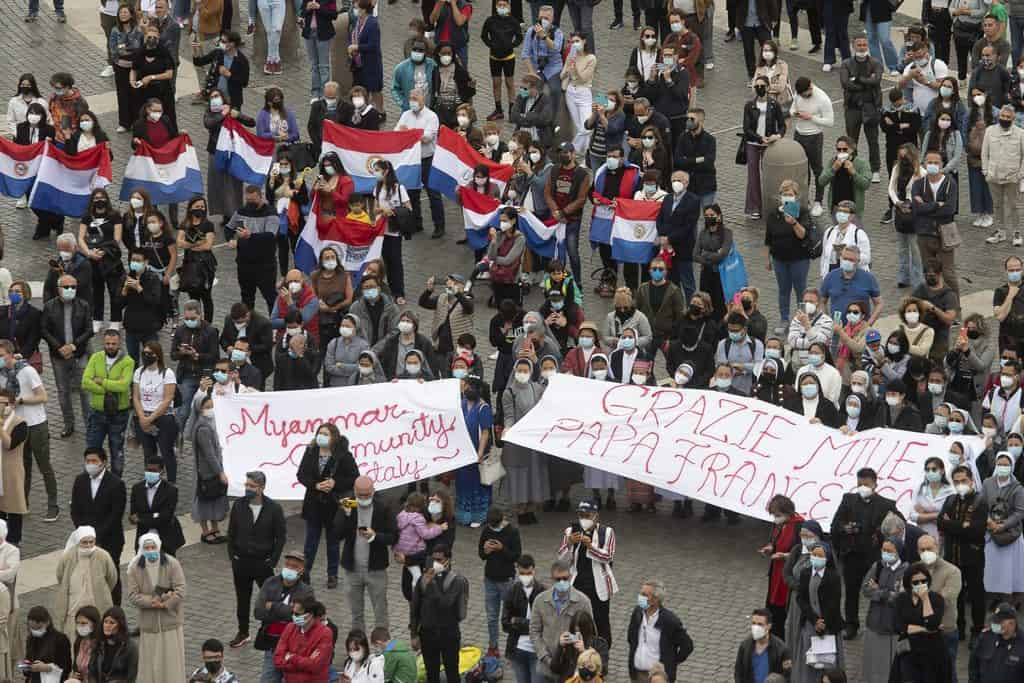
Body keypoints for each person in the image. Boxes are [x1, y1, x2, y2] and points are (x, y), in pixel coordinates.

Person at [830, 467, 899, 639]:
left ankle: (877, 623)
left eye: (866, 484)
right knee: (851, 592)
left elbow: (899, 526)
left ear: (875, 484)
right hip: (852, 555)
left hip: (874, 557)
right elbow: (835, 525)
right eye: (859, 484)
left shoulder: (886, 504)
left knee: (877, 590)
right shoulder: (848, 500)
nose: (862, 487)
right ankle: (851, 625)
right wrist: (845, 528)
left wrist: (881, 534)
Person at [226, 471, 286, 648]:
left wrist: (272, 561)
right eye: (246, 485)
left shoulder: (274, 508)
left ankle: (269, 629)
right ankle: (243, 632)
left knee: (268, 598)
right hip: (241, 561)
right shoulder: (238, 505)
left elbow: (280, 537)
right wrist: (233, 556)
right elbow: (231, 532)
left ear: (261, 487)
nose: (248, 489)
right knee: (242, 599)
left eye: (252, 486)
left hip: (262, 562)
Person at [297, 423, 358, 589]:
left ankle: (332, 575)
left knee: (333, 542)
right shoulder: (310, 451)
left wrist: (335, 483)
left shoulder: (343, 455)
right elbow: (301, 475)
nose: (321, 436)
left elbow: (354, 477)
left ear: (334, 437)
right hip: (314, 504)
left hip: (333, 505)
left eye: (325, 433)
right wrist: (315, 485)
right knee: (310, 542)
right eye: (319, 433)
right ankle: (305, 572)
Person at [336, 476, 396, 632]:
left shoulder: (383, 506)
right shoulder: (347, 503)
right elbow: (336, 534)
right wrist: (347, 516)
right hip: (352, 570)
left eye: (367, 495)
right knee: (356, 614)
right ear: (354, 491)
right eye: (360, 495)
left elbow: (393, 536)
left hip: (376, 570)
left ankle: (382, 650)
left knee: (380, 613)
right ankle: (359, 649)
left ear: (373, 491)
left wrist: (375, 537)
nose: (363, 498)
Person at [126, 532, 186, 683]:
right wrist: (150, 601)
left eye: (153, 547)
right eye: (147, 548)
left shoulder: (172, 563)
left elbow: (181, 590)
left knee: (172, 663)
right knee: (150, 664)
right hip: (149, 625)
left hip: (170, 624)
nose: (150, 550)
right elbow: (133, 595)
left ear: (158, 547)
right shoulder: (134, 568)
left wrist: (166, 602)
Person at [69, 447, 127, 605]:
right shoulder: (80, 481)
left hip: (109, 540)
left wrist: (97, 536)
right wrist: (84, 533)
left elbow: (115, 515)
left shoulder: (116, 484)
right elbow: (75, 510)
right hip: (85, 539)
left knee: (111, 575)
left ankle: (115, 609)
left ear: (104, 462)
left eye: (94, 461)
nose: (90, 464)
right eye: (88, 461)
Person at [40, 274, 92, 438]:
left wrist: (73, 346)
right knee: (63, 391)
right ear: (58, 289)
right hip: (58, 356)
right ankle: (68, 424)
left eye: (73, 287)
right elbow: (44, 330)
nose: (70, 290)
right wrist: (59, 347)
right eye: (66, 287)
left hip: (79, 354)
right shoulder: (49, 307)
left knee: (85, 391)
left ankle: (89, 424)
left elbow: (89, 330)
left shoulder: (83, 305)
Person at [410, 543, 469, 683]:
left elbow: (445, 604)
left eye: (440, 560)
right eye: (434, 559)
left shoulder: (456, 581)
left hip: (449, 633)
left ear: (448, 560)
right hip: (427, 633)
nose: (436, 563)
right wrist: (413, 634)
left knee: (452, 672)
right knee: (431, 673)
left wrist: (432, 584)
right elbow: (415, 608)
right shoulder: (423, 580)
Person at [253, 550, 314, 681]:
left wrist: (273, 606)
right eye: (287, 565)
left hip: (295, 647)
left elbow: (303, 618)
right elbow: (258, 612)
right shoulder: (270, 583)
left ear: (302, 570)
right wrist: (289, 611)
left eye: (295, 566)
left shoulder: (306, 591)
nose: (290, 568)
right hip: (272, 645)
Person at [529, 560, 594, 683]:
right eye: (558, 579)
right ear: (551, 579)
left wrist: (583, 649)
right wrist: (545, 658)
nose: (562, 582)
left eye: (565, 578)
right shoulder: (540, 601)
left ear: (570, 577)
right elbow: (534, 632)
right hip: (545, 668)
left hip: (572, 669)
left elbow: (591, 633)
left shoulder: (583, 602)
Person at [82, 330, 134, 478]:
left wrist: (102, 381)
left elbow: (123, 386)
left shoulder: (128, 361)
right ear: (103, 343)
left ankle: (116, 484)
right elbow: (86, 382)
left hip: (119, 414)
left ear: (119, 344)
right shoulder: (96, 357)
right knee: (92, 450)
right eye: (107, 343)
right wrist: (108, 389)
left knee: (116, 451)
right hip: (97, 412)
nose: (110, 346)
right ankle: (90, 481)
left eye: (114, 344)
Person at [395, 89, 445, 239]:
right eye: (411, 98)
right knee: (412, 192)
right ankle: (416, 223)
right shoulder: (405, 115)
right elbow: (397, 133)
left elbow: (427, 138)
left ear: (424, 99)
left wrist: (409, 133)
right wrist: (410, 133)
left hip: (427, 158)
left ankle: (439, 225)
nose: (413, 101)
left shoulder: (431, 117)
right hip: (411, 160)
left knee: (433, 193)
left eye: (416, 98)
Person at [892, 564, 954, 681]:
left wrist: (925, 599)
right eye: (916, 582)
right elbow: (898, 626)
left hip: (933, 652)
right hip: (908, 650)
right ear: (908, 584)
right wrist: (924, 629)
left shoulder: (936, 599)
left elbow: (932, 623)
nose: (920, 585)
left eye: (923, 581)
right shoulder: (901, 599)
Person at [765, 181, 811, 334]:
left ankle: (801, 320)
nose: (787, 197)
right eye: (784, 194)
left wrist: (794, 222)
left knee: (800, 290)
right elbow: (768, 239)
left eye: (790, 194)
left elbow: (803, 234)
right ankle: (784, 319)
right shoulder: (773, 214)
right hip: (779, 259)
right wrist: (768, 259)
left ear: (796, 197)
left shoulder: (802, 211)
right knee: (783, 290)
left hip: (799, 259)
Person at [227, 184, 280, 315]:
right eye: (248, 200)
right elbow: (229, 228)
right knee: (246, 298)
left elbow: (270, 236)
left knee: (270, 297)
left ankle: (274, 325)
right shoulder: (241, 211)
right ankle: (248, 325)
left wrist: (250, 235)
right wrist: (230, 239)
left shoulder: (271, 213)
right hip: (244, 264)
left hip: (265, 265)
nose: (250, 203)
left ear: (261, 197)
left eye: (253, 200)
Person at [859, 537, 907, 682]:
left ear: (898, 552)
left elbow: (899, 598)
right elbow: (866, 589)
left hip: (891, 627)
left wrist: (879, 590)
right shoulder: (878, 566)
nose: (885, 553)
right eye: (883, 550)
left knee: (888, 669)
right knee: (871, 667)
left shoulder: (905, 570)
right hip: (873, 624)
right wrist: (885, 593)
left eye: (889, 551)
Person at [626, 579, 694, 681]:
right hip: (637, 675)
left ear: (655, 599)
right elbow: (631, 637)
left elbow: (687, 645)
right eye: (640, 593)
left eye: (645, 595)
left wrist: (672, 662)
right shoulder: (638, 613)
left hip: (658, 678)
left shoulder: (669, 621)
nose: (640, 597)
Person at [544, 142, 593, 284]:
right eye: (561, 152)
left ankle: (577, 283)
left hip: (572, 220)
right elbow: (547, 193)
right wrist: (555, 210)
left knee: (573, 253)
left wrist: (563, 213)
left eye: (566, 152)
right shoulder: (554, 170)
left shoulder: (582, 174)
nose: (563, 155)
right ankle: (556, 281)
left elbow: (581, 199)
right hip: (555, 218)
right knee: (556, 253)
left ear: (573, 154)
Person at [55, 526, 117, 636]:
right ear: (78, 542)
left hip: (97, 605)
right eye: (84, 542)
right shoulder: (68, 556)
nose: (88, 545)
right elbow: (61, 576)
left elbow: (112, 578)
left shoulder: (103, 556)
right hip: (74, 606)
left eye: (91, 542)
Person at [795, 541, 844, 677]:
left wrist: (823, 622)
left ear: (827, 558)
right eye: (814, 554)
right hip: (810, 623)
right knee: (810, 662)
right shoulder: (805, 573)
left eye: (819, 555)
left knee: (827, 662)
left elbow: (834, 603)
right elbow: (801, 598)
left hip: (828, 624)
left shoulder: (833, 577)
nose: (815, 557)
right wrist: (814, 620)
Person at [981, 105, 1024, 247]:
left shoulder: (1020, 134)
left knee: (1014, 205)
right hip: (993, 176)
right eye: (1003, 116)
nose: (1005, 119)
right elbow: (984, 153)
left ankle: (1017, 232)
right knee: (997, 205)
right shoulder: (990, 131)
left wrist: (1020, 175)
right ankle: (1000, 232)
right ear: (999, 116)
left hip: (1013, 177)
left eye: (1008, 117)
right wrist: (986, 171)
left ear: (1013, 119)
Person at [743, 77, 786, 219]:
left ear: (768, 87)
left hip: (769, 144)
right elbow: (747, 129)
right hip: (753, 144)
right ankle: (754, 207)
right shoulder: (749, 105)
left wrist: (777, 136)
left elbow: (782, 125)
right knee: (753, 177)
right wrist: (759, 138)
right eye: (757, 86)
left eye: (762, 86)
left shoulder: (774, 104)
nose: (759, 88)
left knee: (771, 175)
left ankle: (773, 206)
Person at [190, 393, 228, 544]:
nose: (211, 410)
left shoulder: (209, 423)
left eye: (212, 406)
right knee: (205, 501)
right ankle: (206, 531)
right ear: (200, 409)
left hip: (210, 471)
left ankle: (214, 529)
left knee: (213, 499)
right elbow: (209, 454)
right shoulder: (203, 429)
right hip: (206, 473)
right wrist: (220, 472)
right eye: (207, 407)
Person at [129, 458, 186, 558]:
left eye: (154, 471)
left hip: (165, 538)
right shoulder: (137, 489)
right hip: (143, 537)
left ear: (161, 472)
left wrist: (142, 518)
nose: (150, 473)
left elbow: (165, 517)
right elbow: (133, 516)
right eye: (148, 470)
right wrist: (154, 515)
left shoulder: (171, 491)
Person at [273, 597, 334, 681]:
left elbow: (315, 666)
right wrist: (304, 661)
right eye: (293, 613)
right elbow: (277, 660)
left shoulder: (325, 633)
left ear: (310, 614)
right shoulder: (290, 627)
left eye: (297, 614)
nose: (294, 616)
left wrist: (291, 657)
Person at [177, 197, 217, 323]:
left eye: (202, 207)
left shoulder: (208, 225)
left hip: (205, 265)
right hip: (189, 264)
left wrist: (188, 244)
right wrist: (196, 244)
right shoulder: (185, 224)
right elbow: (179, 242)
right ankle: (196, 319)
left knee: (206, 296)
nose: (200, 209)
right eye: (197, 207)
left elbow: (208, 245)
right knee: (193, 295)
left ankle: (208, 322)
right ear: (190, 208)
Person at [674, 108, 717, 209]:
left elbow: (708, 162)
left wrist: (687, 160)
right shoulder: (682, 138)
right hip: (688, 186)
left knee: (707, 217)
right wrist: (698, 160)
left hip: (706, 186)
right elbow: (678, 161)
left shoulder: (710, 140)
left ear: (701, 121)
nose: (688, 121)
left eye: (692, 119)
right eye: (687, 118)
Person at [109, 4, 143, 132]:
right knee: (122, 94)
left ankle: (136, 121)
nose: (123, 14)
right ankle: (124, 123)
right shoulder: (115, 30)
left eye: (125, 12)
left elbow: (138, 48)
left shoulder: (138, 30)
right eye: (121, 12)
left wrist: (125, 50)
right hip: (120, 67)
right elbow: (114, 50)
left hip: (134, 67)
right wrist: (125, 52)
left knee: (135, 94)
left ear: (131, 14)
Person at [733, 608, 791, 683]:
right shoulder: (745, 646)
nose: (755, 627)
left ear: (769, 626)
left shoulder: (782, 650)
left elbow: (787, 676)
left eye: (760, 624)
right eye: (753, 623)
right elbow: (738, 672)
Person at [969, 602, 1024, 680]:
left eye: (999, 622)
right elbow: (974, 665)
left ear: (1012, 623)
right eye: (994, 621)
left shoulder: (1022, 644)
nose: (994, 624)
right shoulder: (986, 637)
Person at [562, 33, 596, 156]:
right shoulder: (571, 56)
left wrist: (575, 68)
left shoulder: (591, 58)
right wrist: (567, 69)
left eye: (577, 41)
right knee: (578, 126)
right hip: (571, 92)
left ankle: (571, 150)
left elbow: (584, 79)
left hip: (584, 92)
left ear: (584, 41)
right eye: (572, 41)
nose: (574, 44)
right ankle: (586, 154)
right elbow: (562, 76)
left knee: (586, 127)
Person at [23, 607, 72, 682]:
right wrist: (26, 667)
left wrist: (47, 668)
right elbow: (27, 661)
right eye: (32, 628)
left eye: (38, 628)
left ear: (47, 622)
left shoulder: (60, 639)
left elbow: (66, 669)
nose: (35, 631)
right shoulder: (31, 639)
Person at [89, 606, 138, 682]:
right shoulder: (98, 643)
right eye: (105, 622)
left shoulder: (130, 646)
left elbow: (131, 677)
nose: (107, 626)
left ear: (120, 625)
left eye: (112, 623)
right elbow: (92, 672)